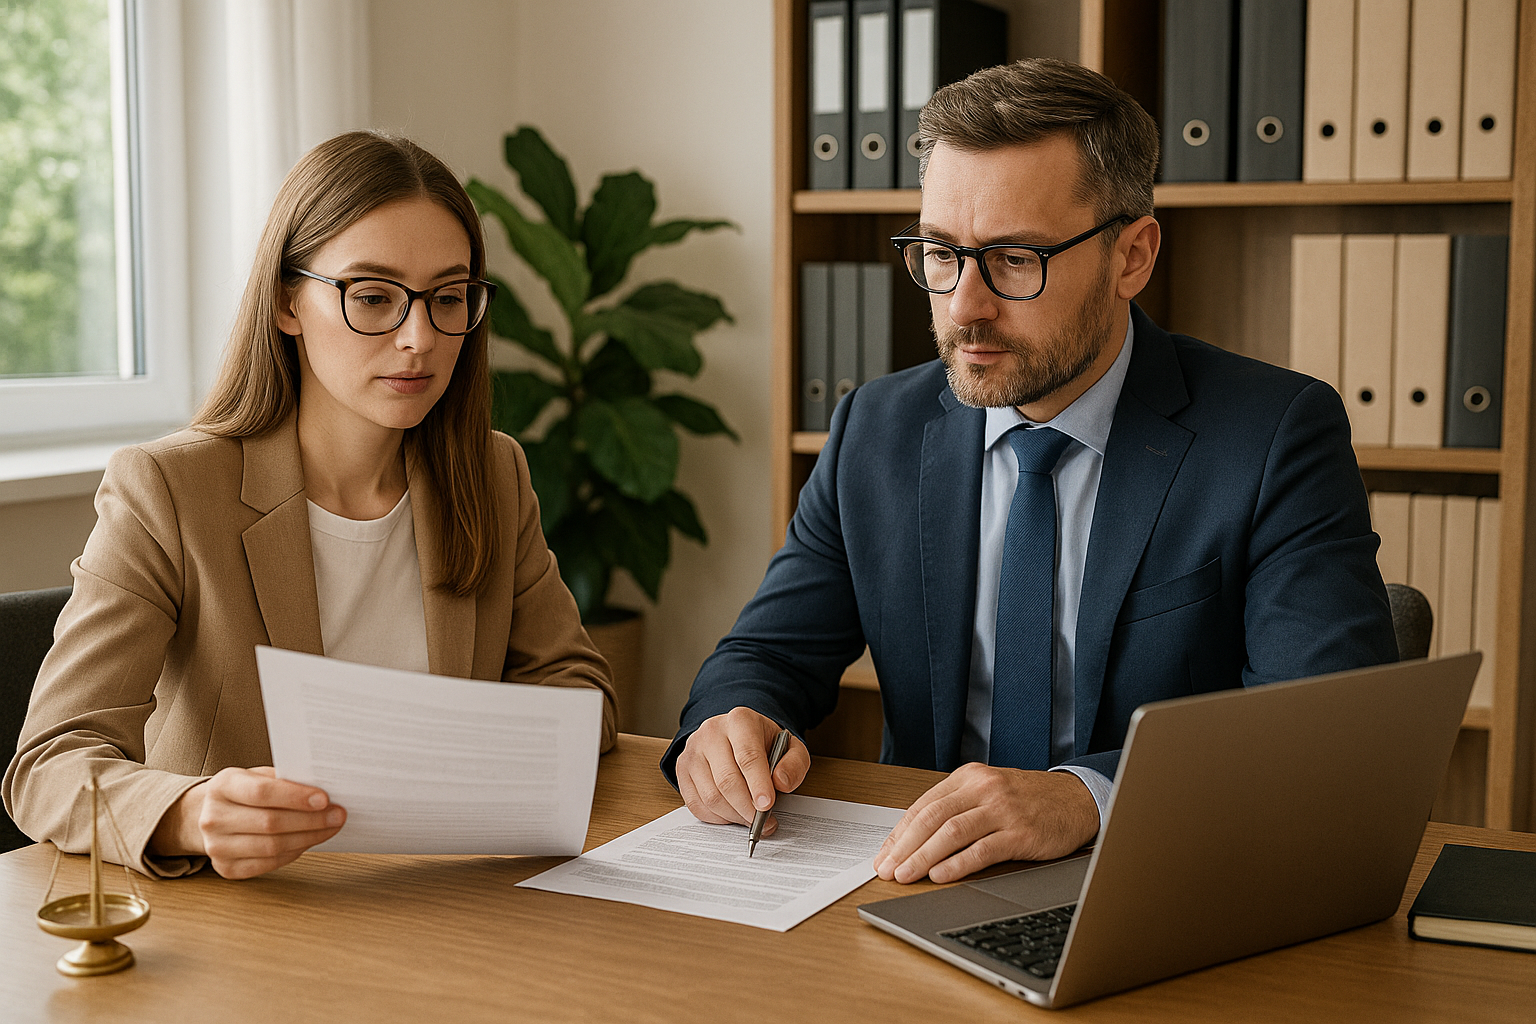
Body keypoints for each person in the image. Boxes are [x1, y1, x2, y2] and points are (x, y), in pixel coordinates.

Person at [665, 58, 1397, 884]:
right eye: (941, 254)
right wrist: (735, 721)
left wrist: (1089, 798)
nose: (964, 306)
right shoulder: (877, 428)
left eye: (1014, 258)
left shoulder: (1273, 436)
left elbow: (1319, 736)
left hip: (1163, 884)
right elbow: (766, 652)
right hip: (919, 884)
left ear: (1133, 255)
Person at [3, 132, 616, 881]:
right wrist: (189, 812)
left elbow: (582, 696)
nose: (419, 338)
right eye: (373, 296)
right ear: (288, 302)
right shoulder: (167, 490)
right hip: (247, 920)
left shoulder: (491, 472)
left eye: (448, 298)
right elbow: (50, 765)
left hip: (446, 899)